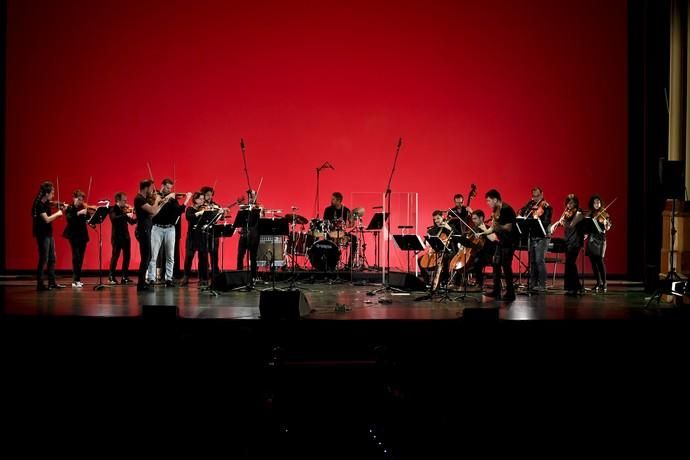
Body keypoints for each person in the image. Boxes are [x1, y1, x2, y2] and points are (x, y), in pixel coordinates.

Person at [476, 189, 517, 302]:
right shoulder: (495, 209)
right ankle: (496, 290)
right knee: (496, 264)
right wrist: (483, 232)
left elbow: (508, 227)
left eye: (489, 200)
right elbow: (493, 228)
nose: (487, 203)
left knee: (506, 266)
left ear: (495, 199)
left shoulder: (506, 209)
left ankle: (510, 293)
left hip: (509, 241)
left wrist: (498, 226)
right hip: (501, 241)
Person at [148, 179, 191, 287]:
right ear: (162, 186)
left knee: (170, 256)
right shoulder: (155, 197)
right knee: (153, 255)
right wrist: (163, 200)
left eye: (170, 188)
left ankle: (168, 279)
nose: (169, 190)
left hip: (170, 229)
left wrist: (187, 199)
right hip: (157, 228)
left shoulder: (172, 199)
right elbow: (152, 210)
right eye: (167, 187)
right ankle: (151, 278)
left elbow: (179, 211)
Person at [133, 179, 167, 292]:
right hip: (143, 231)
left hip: (147, 229)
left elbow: (153, 213)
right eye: (151, 188)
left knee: (147, 257)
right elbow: (152, 210)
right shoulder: (139, 199)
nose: (153, 191)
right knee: (145, 258)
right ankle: (140, 285)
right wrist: (157, 199)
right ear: (146, 188)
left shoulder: (143, 199)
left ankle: (142, 283)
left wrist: (161, 204)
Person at [32, 181, 65, 291]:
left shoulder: (45, 201)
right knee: (44, 259)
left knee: (52, 258)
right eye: (52, 193)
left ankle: (52, 283)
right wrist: (58, 214)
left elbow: (51, 203)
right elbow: (46, 219)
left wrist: (60, 205)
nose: (53, 195)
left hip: (48, 234)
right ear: (46, 193)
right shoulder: (38, 204)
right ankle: (40, 284)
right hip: (42, 235)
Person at [518, 187, 553, 291]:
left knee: (539, 260)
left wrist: (537, 218)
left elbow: (546, 222)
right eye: (533, 196)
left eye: (537, 196)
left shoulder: (546, 207)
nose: (535, 198)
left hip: (543, 236)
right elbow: (522, 211)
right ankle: (533, 283)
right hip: (532, 235)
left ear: (542, 195)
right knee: (532, 261)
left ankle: (542, 284)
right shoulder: (531, 205)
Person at [550, 194, 584, 296]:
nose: (570, 204)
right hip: (568, 241)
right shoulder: (567, 212)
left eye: (572, 202)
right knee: (569, 264)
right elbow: (561, 222)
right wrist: (555, 225)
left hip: (576, 241)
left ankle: (576, 287)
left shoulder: (579, 213)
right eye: (568, 203)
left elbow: (571, 225)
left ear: (576, 203)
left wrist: (563, 223)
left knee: (571, 264)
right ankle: (570, 288)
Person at [62, 190, 90, 288]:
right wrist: (79, 213)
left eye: (82, 200)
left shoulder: (83, 207)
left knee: (81, 257)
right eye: (79, 199)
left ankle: (78, 279)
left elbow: (88, 218)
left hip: (83, 235)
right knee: (76, 256)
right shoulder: (70, 208)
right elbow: (70, 219)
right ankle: (75, 280)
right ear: (74, 198)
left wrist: (87, 214)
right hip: (73, 235)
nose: (80, 201)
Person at [181, 192, 209, 286]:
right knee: (189, 257)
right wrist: (200, 213)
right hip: (192, 237)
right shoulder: (190, 209)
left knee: (203, 259)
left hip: (202, 236)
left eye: (203, 199)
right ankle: (185, 277)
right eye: (200, 199)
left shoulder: (205, 209)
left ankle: (202, 278)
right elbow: (189, 217)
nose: (202, 201)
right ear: (195, 200)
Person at [322, 192, 357, 266]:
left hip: (342, 233)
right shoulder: (328, 209)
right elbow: (325, 223)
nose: (331, 201)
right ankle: (329, 262)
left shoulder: (346, 210)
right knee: (327, 239)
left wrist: (347, 225)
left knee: (354, 239)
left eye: (333, 199)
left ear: (338, 200)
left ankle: (350, 263)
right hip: (331, 233)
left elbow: (352, 223)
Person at [586, 194, 612, 293]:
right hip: (592, 239)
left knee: (600, 261)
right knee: (593, 263)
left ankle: (604, 283)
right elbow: (588, 226)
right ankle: (598, 282)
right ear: (592, 204)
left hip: (600, 239)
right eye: (595, 202)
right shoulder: (590, 214)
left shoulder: (604, 214)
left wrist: (606, 225)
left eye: (598, 202)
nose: (597, 204)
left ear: (601, 203)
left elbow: (607, 228)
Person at [108, 192, 136, 284]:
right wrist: (125, 215)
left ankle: (124, 277)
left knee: (127, 257)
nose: (126, 202)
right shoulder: (112, 209)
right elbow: (114, 219)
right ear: (118, 200)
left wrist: (140, 217)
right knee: (115, 257)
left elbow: (131, 222)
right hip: (116, 237)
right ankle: (111, 277)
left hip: (126, 237)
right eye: (124, 200)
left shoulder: (124, 210)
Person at [468, 210, 497, 291]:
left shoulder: (488, 228)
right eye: (472, 219)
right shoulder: (473, 229)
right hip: (476, 253)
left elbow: (493, 238)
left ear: (481, 218)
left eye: (475, 219)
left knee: (477, 261)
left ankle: (479, 283)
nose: (473, 221)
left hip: (488, 254)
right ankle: (459, 282)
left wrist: (484, 230)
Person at [237, 189, 261, 279]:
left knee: (253, 257)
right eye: (250, 196)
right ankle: (239, 275)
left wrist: (259, 211)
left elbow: (260, 219)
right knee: (240, 255)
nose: (251, 198)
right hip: (244, 234)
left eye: (253, 196)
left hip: (254, 235)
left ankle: (253, 276)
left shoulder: (258, 207)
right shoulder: (244, 207)